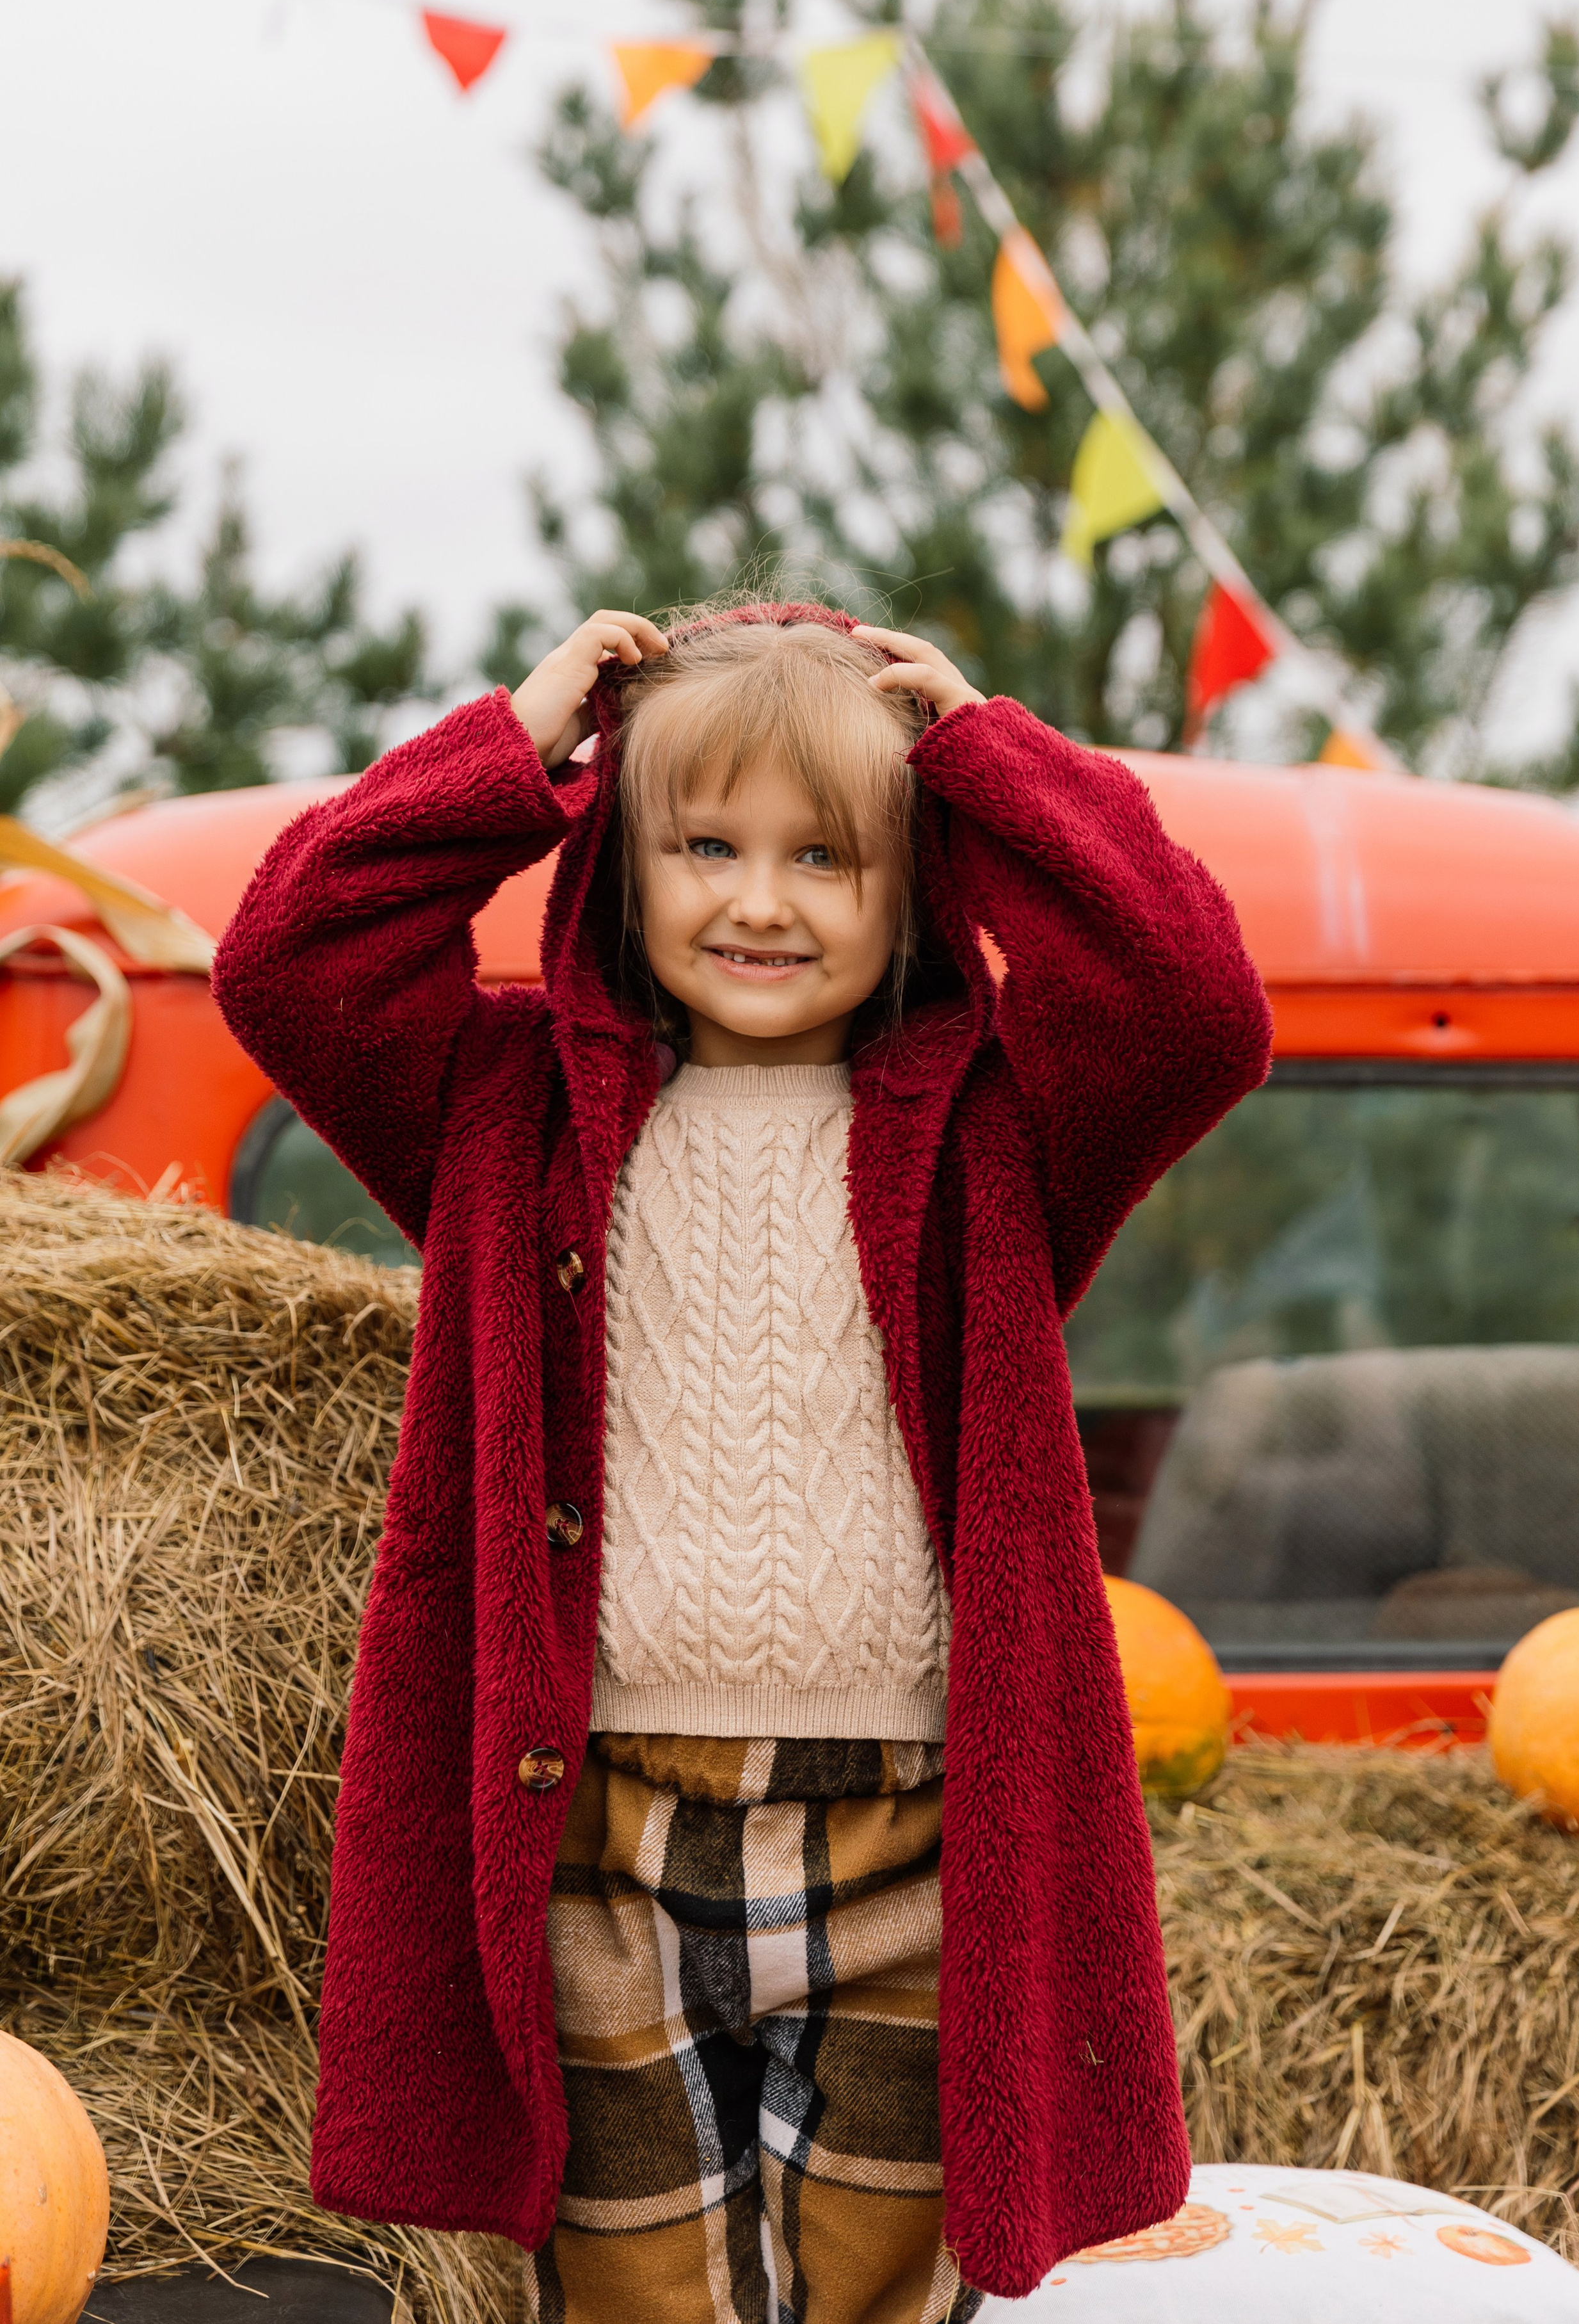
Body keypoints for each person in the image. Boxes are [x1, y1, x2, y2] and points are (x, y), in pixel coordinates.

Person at [212, 600, 1272, 2323]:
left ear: (914, 883)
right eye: (705, 845)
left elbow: (1192, 1007)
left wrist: (991, 758)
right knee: (636, 2302)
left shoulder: (992, 1130)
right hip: (606, 1834)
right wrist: (513, 750)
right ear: (620, 865)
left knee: (879, 2301)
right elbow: (288, 962)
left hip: (918, 1840)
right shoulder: (509, 1114)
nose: (762, 901)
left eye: (826, 856)